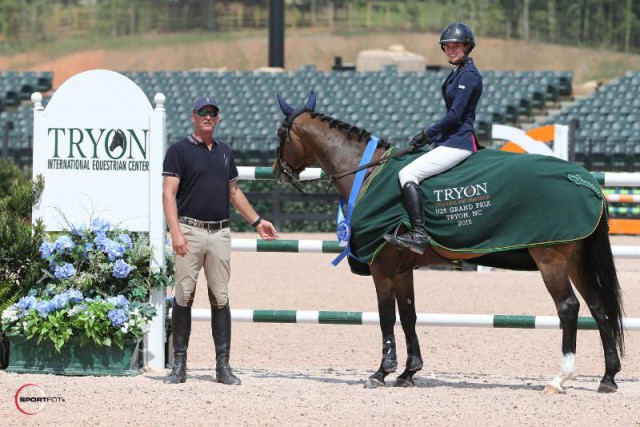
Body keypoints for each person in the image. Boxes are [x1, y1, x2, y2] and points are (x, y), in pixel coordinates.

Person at [162, 96, 279, 385]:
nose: (208, 116)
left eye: (213, 113)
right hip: (189, 231)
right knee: (183, 296)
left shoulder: (225, 152)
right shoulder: (178, 151)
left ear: (218, 118)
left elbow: (233, 191)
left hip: (220, 233)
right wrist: (175, 232)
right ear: (193, 116)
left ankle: (222, 366)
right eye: (203, 112)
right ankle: (179, 365)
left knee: (221, 298)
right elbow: (168, 194)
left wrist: (256, 221)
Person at [384, 22, 483, 255]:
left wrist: (427, 134)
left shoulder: (468, 75)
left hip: (458, 141)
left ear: (467, 47)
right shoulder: (458, 71)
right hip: (449, 139)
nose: (451, 49)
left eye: (456, 45)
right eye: (447, 46)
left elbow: (455, 115)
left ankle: (419, 234)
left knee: (407, 173)